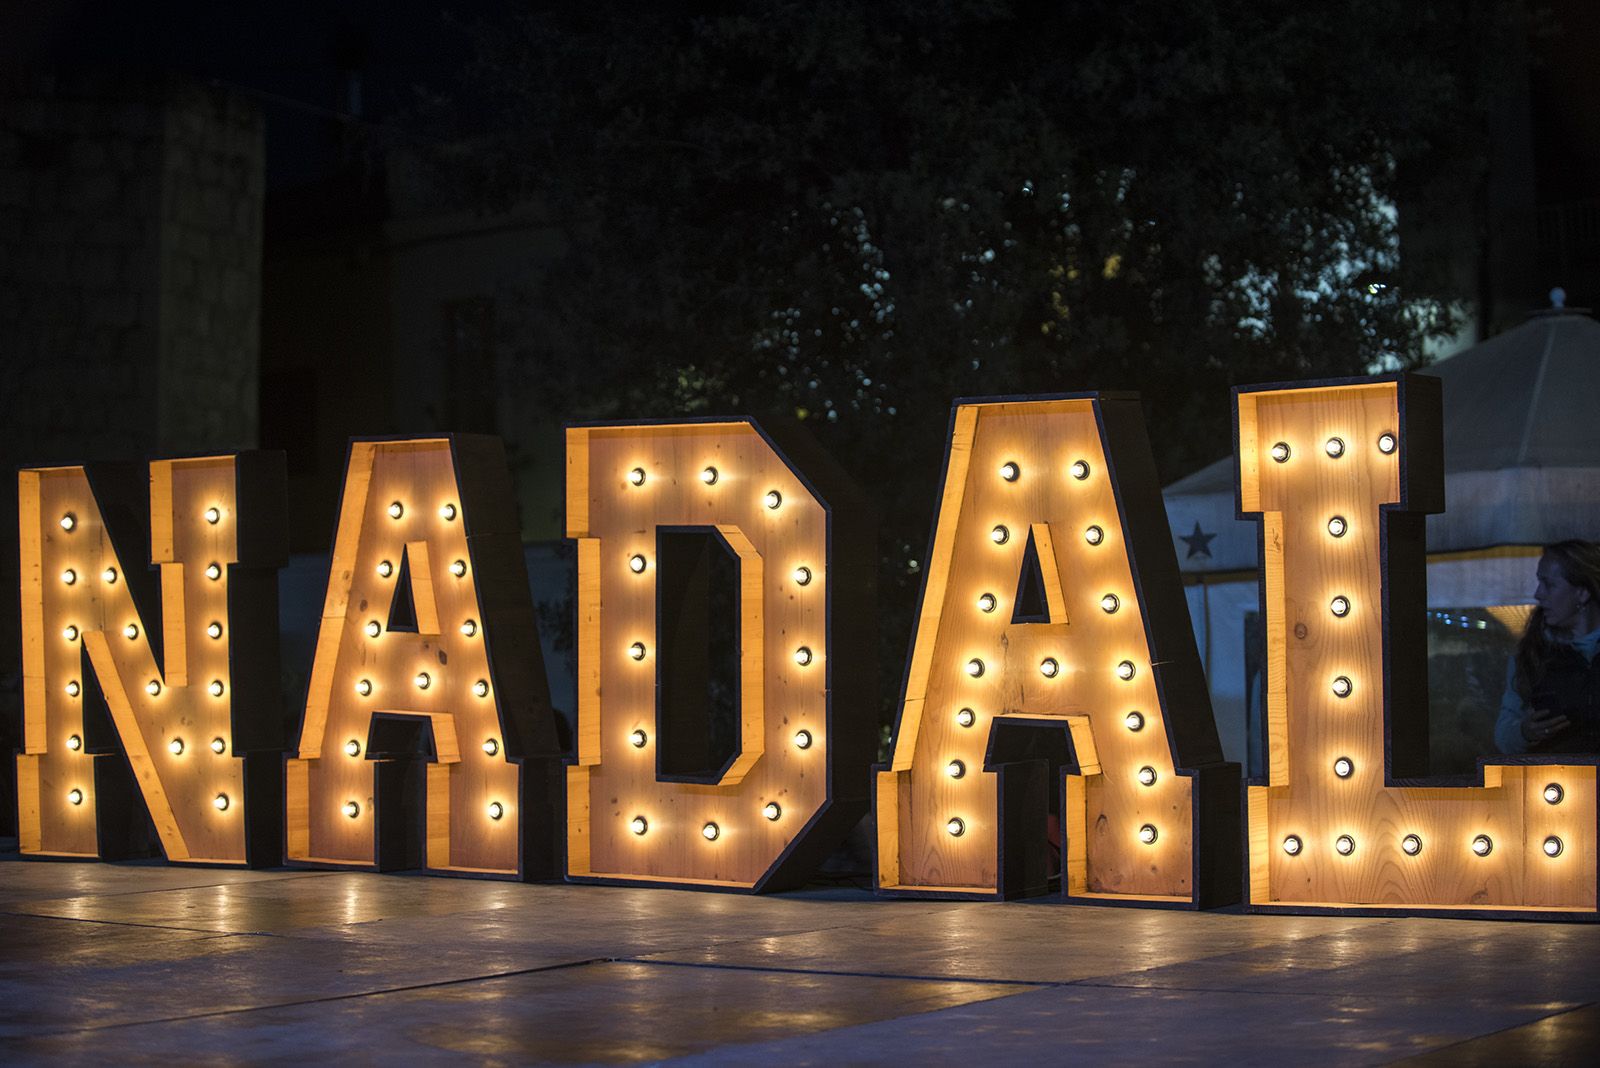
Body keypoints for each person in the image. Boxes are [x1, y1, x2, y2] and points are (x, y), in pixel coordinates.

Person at [1495, 540, 1600, 754]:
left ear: (1582, 593)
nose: (1538, 594)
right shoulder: (1531, 655)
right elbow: (1503, 734)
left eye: (1549, 584)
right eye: (1539, 582)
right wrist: (1525, 732)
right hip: (1556, 781)